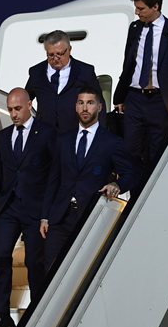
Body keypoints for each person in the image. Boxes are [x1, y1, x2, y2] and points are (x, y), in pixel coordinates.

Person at [0, 88, 57, 327]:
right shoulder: (3, 136)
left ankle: (38, 313)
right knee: (1, 256)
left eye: (17, 108)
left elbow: (54, 174)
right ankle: (2, 316)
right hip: (8, 208)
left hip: (36, 208)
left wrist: (48, 212)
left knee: (34, 262)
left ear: (29, 105)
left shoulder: (47, 132)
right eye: (10, 109)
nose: (13, 114)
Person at [41, 86, 136, 268]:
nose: (85, 108)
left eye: (90, 103)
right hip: (60, 218)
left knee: (84, 269)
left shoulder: (111, 142)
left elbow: (130, 175)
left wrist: (117, 184)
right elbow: (53, 180)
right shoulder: (63, 140)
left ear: (99, 107)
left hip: (91, 216)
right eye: (81, 103)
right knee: (51, 269)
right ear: (76, 106)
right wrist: (45, 217)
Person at [113, 0, 168, 184]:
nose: (136, 12)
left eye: (141, 8)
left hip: (160, 101)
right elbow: (127, 65)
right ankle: (138, 188)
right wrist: (119, 96)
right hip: (134, 98)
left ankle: (154, 189)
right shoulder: (135, 29)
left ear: (155, 6)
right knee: (130, 149)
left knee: (158, 151)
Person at [25, 29, 107, 134]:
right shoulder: (36, 72)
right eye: (51, 55)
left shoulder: (85, 71)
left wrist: (101, 133)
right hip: (44, 134)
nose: (55, 58)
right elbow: (24, 101)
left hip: (75, 133)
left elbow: (99, 103)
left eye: (59, 54)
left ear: (69, 49)